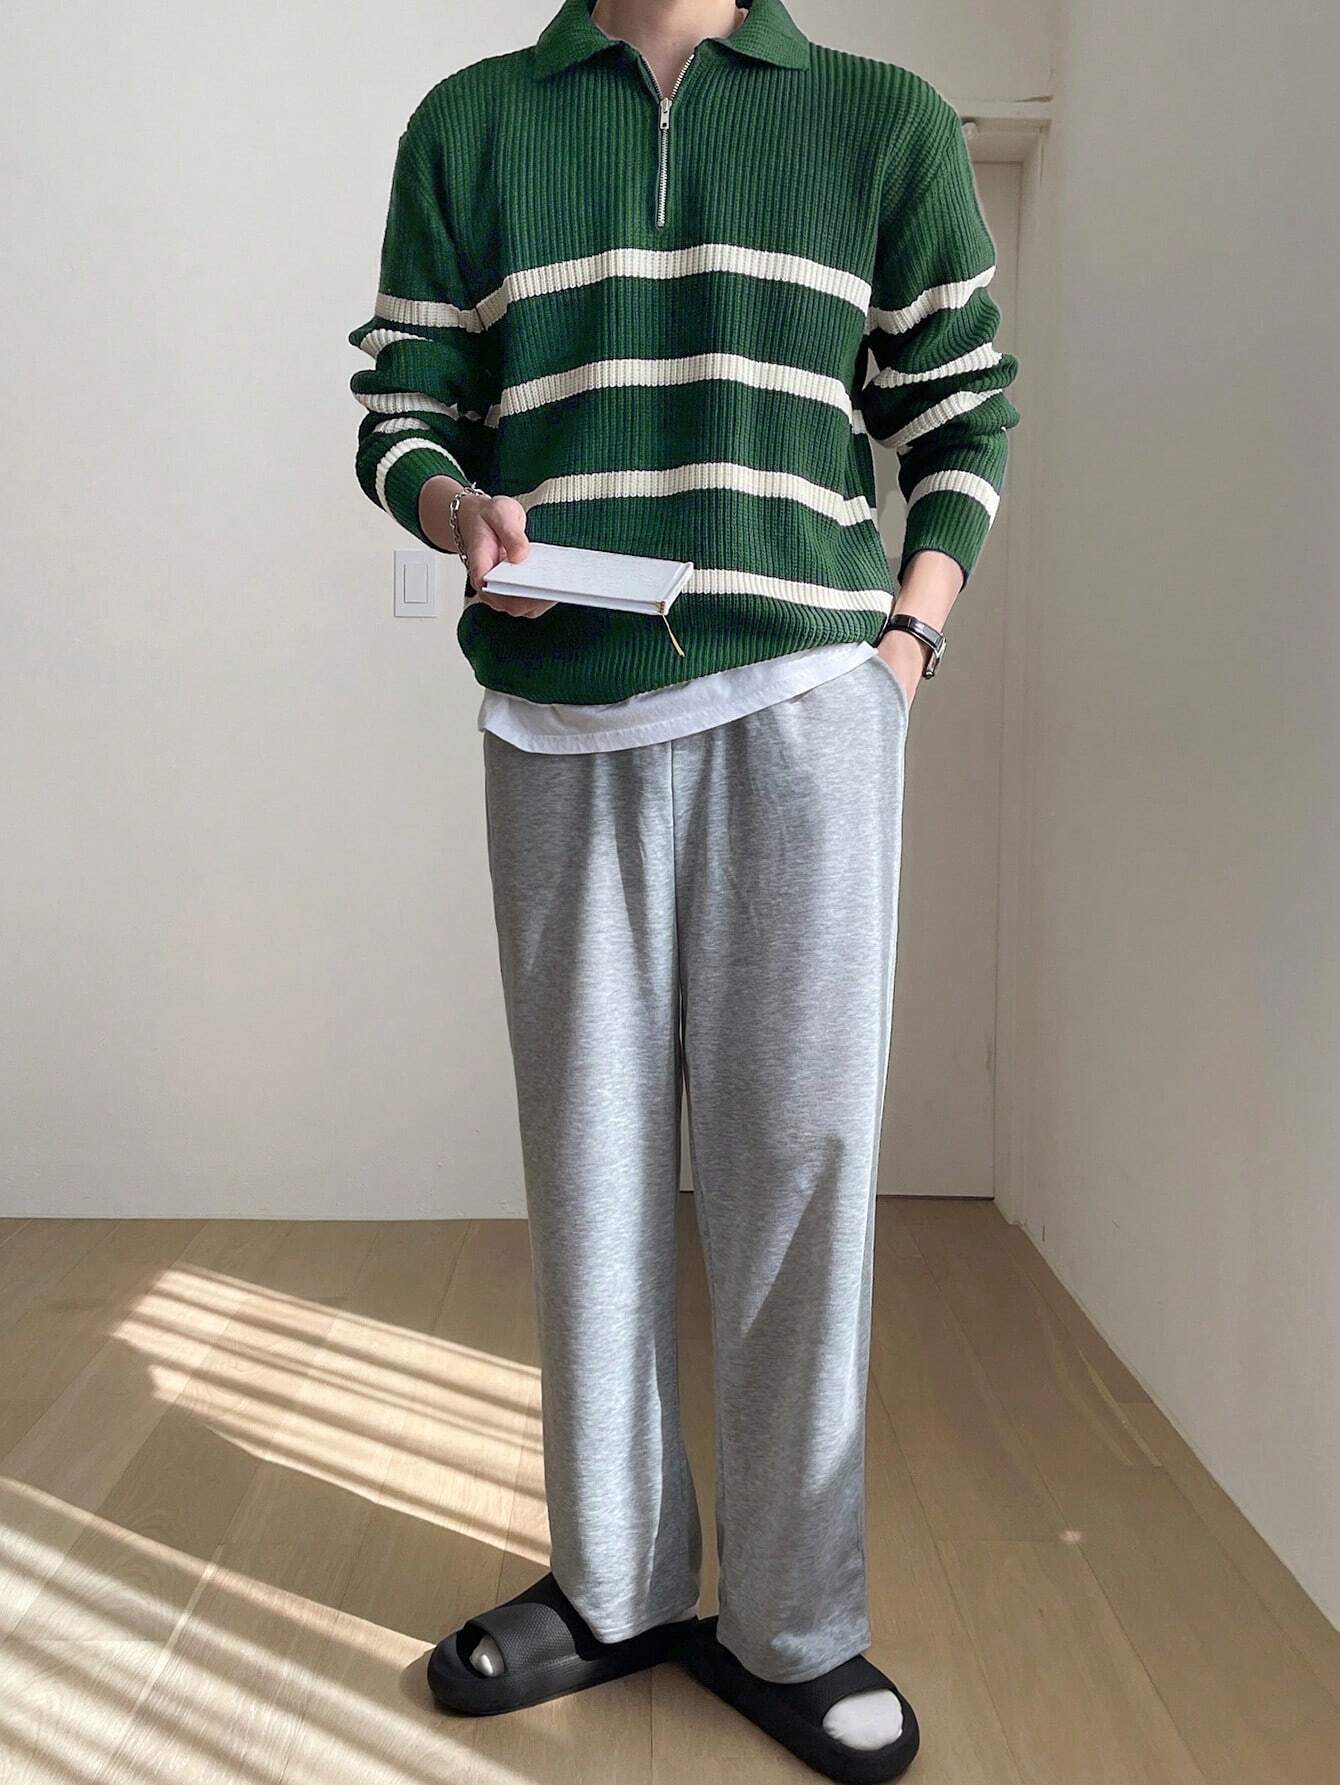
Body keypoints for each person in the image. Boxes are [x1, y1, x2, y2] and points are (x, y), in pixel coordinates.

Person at [348, 2, 1018, 1777]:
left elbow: (961, 412)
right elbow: (405, 408)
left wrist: (903, 651)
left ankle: (795, 1620)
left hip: (808, 700)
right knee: (591, 1166)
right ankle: (615, 1583)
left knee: (800, 1164)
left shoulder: (880, 118)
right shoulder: (474, 123)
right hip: (558, 717)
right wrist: (455, 511)